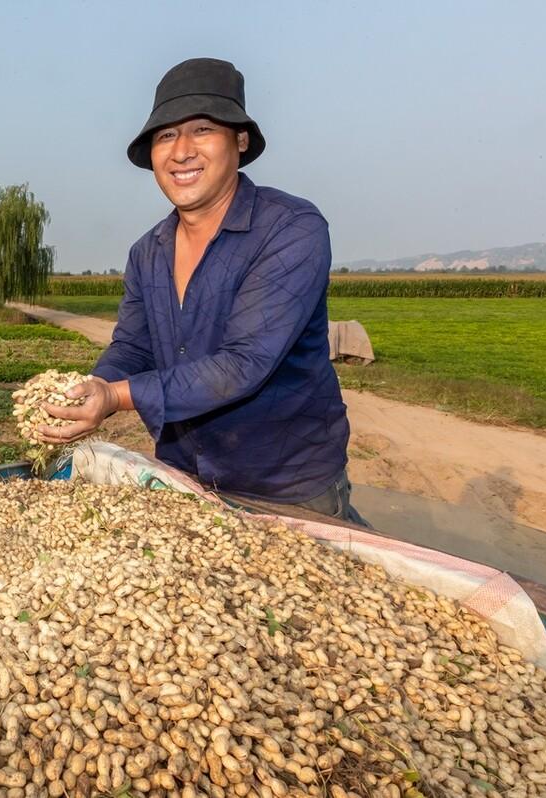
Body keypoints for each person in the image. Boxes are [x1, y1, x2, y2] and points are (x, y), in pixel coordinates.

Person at [38, 57, 368, 526]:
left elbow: (244, 363)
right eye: (166, 136)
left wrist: (115, 397)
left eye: (202, 130)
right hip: (182, 480)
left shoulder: (291, 229)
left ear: (240, 140)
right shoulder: (147, 252)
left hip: (286, 489)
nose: (181, 151)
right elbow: (133, 346)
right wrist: (87, 391)